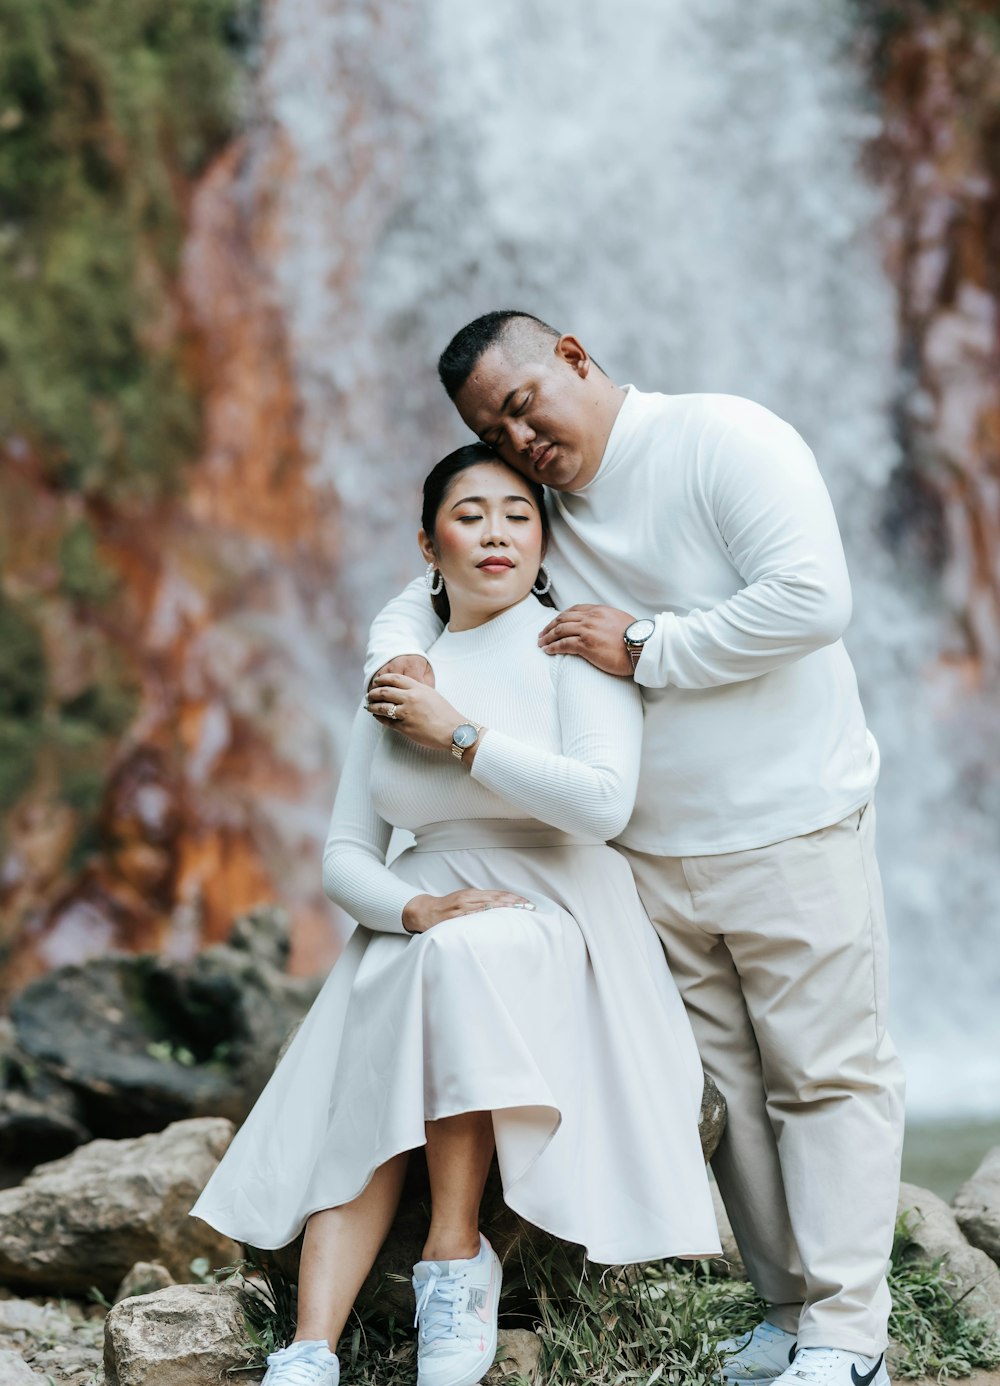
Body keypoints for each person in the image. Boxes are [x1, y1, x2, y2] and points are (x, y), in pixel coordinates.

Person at [365, 311, 906, 1386]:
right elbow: (437, 579)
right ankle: (790, 1314)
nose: (521, 440)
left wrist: (652, 644)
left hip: (789, 820)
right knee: (730, 1092)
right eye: (494, 430)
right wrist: (399, 663)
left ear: (573, 356)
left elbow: (813, 599)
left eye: (523, 405)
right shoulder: (548, 513)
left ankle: (850, 1338)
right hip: (649, 852)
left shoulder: (721, 440)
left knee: (825, 1075)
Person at [191, 442, 720, 1386]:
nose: (496, 533)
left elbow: (603, 805)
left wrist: (461, 735)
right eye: (470, 514)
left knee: (447, 970)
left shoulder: (572, 649)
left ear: (545, 540)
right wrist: (418, 905)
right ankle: (309, 1348)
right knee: (381, 1031)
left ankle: (452, 1252)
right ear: (427, 545)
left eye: (518, 514)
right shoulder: (400, 672)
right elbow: (346, 856)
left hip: (559, 911)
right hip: (429, 919)